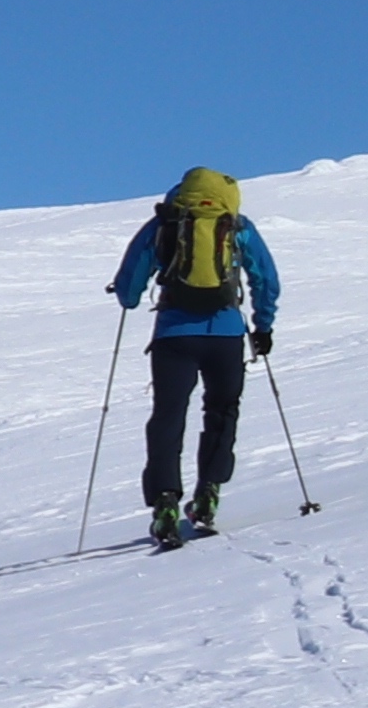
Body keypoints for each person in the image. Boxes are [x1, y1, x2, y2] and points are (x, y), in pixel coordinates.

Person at [110, 167, 279, 542]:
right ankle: (208, 491)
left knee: (168, 416)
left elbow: (129, 285)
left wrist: (129, 296)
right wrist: (263, 327)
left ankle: (165, 500)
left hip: (174, 336)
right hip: (226, 334)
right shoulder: (237, 225)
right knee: (222, 411)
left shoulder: (165, 223)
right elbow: (265, 278)